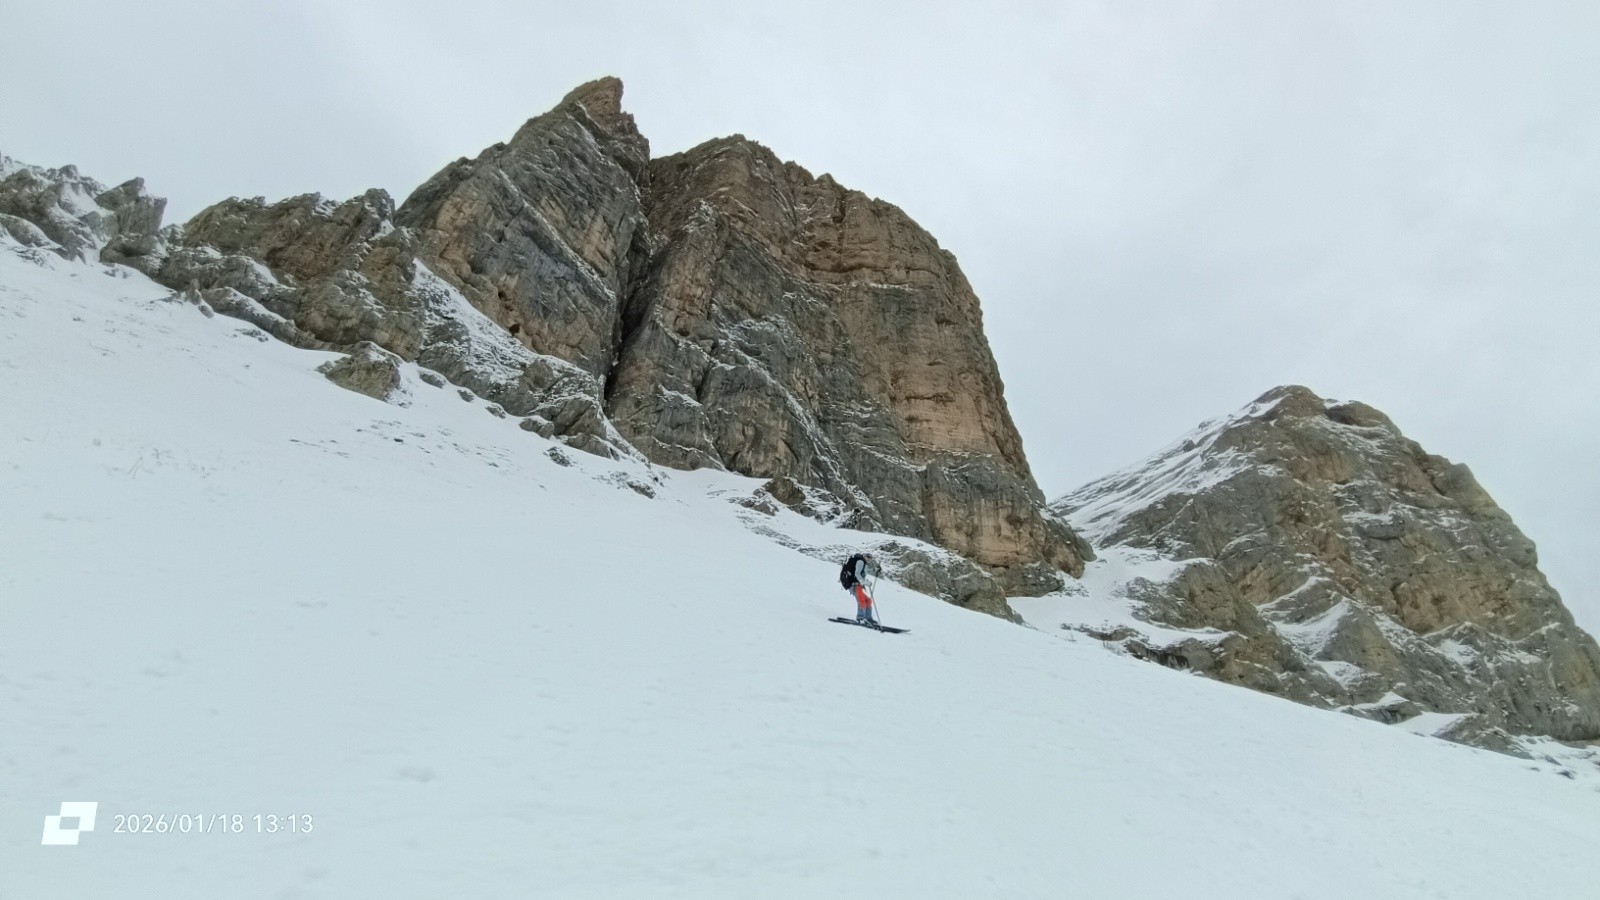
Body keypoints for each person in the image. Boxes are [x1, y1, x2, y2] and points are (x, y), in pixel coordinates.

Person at [840, 552, 879, 626]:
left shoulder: (864, 564)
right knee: (861, 601)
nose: (869, 559)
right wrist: (863, 582)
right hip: (855, 584)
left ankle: (868, 618)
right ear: (864, 556)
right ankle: (860, 618)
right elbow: (857, 574)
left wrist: (865, 582)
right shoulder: (860, 561)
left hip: (858, 585)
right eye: (868, 557)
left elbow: (861, 576)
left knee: (868, 600)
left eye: (871, 558)